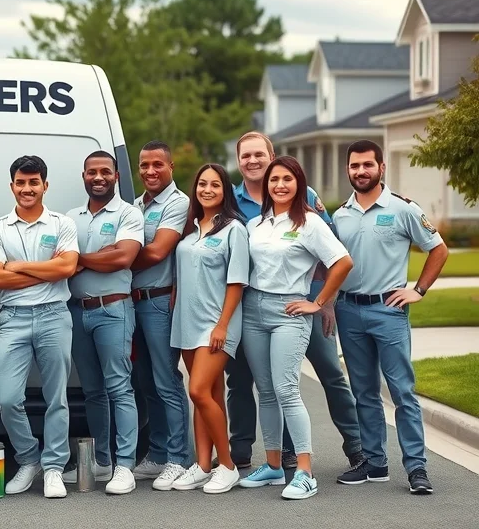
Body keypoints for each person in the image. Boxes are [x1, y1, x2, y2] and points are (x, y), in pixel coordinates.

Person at [230, 131, 364, 472]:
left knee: (328, 375)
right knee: (255, 384)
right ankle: (258, 455)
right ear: (238, 160)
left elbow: (332, 253)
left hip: (300, 303)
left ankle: (358, 450)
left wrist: (322, 301)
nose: (253, 161)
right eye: (246, 156)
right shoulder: (238, 205)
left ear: (272, 156)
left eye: (260, 154)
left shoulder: (307, 202)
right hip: (254, 307)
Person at [331, 139, 447, 495]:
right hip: (349, 310)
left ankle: (416, 468)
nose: (361, 171)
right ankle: (375, 463)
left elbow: (438, 250)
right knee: (363, 392)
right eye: (354, 166)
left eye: (368, 165)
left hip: (389, 311)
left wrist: (419, 289)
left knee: (402, 391)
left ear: (382, 168)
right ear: (348, 170)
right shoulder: (339, 215)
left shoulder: (402, 209)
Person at [0, 155, 79, 499]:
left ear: (44, 185)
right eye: (21, 183)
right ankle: (29, 459)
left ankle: (53, 468)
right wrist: (44, 269)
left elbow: (66, 268)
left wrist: (18, 266)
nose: (27, 189)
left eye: (33, 182)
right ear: (12, 186)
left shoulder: (61, 224)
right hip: (14, 320)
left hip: (54, 316)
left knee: (57, 398)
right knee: (8, 399)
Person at [62, 151, 143, 495]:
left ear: (116, 177)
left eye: (105, 172)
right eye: (92, 172)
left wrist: (80, 258)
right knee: (92, 391)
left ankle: (125, 466)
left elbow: (124, 256)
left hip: (113, 310)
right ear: (83, 176)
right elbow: (62, 262)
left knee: (119, 388)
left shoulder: (129, 213)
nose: (99, 177)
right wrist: (99, 257)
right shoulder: (69, 218)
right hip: (77, 311)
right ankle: (102, 460)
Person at [169, 163, 247, 494]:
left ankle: (227, 466)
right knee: (208, 396)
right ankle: (203, 465)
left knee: (198, 390)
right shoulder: (190, 230)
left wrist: (223, 325)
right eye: (202, 184)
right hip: (186, 322)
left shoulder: (233, 230)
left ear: (224, 191)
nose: (207, 190)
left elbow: (237, 282)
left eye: (215, 185)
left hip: (217, 324)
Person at [128, 140, 191, 490]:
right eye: (144, 165)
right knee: (145, 382)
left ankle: (179, 458)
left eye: (157, 165)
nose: (150, 171)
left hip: (159, 303)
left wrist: (114, 257)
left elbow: (155, 252)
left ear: (171, 166)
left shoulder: (178, 203)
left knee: (167, 381)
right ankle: (157, 452)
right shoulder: (136, 206)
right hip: (133, 302)